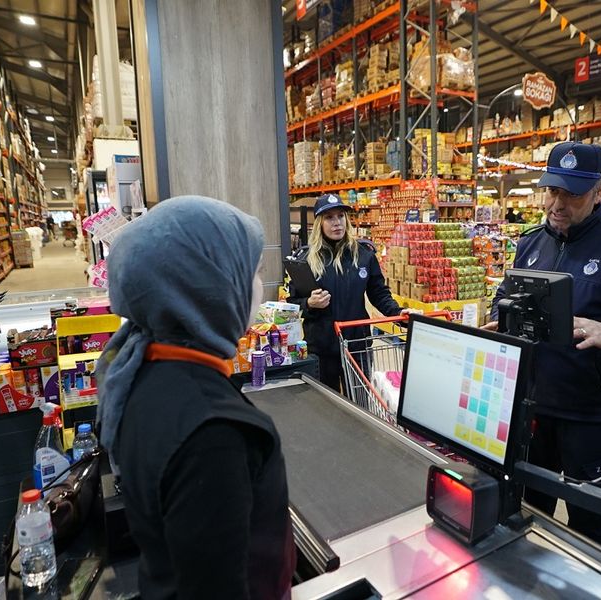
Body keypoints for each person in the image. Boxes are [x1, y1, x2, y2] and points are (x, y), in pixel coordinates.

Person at [97, 196, 295, 599]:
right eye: (251, 272)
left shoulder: (137, 371)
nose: (257, 287)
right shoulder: (213, 434)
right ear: (211, 284)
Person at [485, 142, 601, 549]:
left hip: (589, 422)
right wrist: (499, 318)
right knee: (526, 521)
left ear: (599, 192)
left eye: (572, 193)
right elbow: (506, 299)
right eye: (552, 190)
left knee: (590, 531)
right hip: (530, 414)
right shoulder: (531, 244)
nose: (558, 203)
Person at [288, 194, 409, 393]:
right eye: (329, 217)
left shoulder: (363, 255)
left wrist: (400, 314)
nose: (337, 223)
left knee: (359, 402)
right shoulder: (306, 260)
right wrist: (309, 303)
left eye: (340, 216)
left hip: (357, 344)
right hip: (322, 347)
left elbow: (379, 294)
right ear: (319, 223)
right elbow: (293, 302)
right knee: (328, 408)